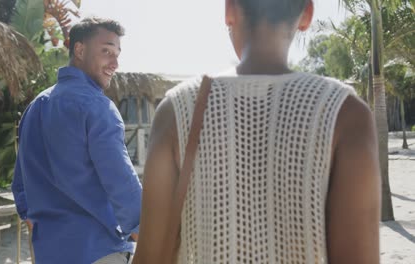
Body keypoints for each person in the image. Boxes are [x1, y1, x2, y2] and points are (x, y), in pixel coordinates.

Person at [133, 0, 381, 263]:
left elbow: (150, 255)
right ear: (307, 14)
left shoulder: (177, 109)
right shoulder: (345, 113)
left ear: (229, 10)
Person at [12, 17, 142, 264]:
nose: (115, 63)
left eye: (117, 54)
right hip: (99, 251)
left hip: (49, 254)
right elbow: (121, 182)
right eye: (106, 51)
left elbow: (20, 184)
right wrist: (146, 233)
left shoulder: (35, 107)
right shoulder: (98, 107)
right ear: (79, 50)